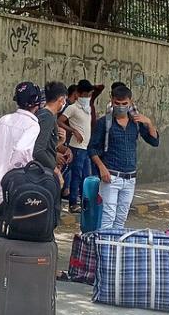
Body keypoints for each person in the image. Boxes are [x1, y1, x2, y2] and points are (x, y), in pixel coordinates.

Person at [88, 85, 159, 229]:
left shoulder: (136, 123)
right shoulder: (104, 122)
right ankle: (105, 249)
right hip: (111, 177)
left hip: (130, 178)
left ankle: (115, 249)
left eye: (124, 104)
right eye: (117, 103)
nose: (120, 107)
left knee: (121, 219)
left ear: (130, 102)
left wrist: (149, 122)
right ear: (112, 101)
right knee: (107, 218)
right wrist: (102, 168)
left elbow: (154, 141)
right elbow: (92, 148)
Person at [0, 82, 42, 206]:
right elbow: (20, 150)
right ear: (37, 103)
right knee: (20, 221)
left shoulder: (5, 120)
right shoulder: (33, 125)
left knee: (3, 218)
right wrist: (15, 170)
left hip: (0, 180)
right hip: (20, 182)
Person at [59, 79, 94, 213]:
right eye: (85, 95)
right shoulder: (72, 107)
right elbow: (60, 121)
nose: (87, 98)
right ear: (79, 94)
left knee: (86, 176)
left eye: (89, 95)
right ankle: (73, 203)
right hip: (76, 147)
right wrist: (73, 130)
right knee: (76, 176)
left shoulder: (87, 108)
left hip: (85, 147)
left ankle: (84, 201)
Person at [33, 81, 68, 182]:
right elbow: (38, 150)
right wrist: (56, 170)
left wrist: (60, 141)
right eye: (64, 100)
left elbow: (46, 147)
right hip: (41, 173)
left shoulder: (47, 116)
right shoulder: (46, 117)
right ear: (61, 99)